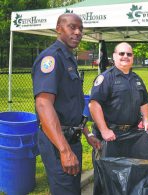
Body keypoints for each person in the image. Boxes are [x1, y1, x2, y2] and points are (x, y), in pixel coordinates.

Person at [32, 13, 100, 195]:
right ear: (58, 28)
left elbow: (72, 105)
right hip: (58, 142)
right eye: (72, 27)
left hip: (72, 138)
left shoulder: (68, 58)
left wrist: (86, 133)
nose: (78, 32)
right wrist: (64, 150)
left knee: (71, 189)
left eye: (81, 29)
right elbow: (44, 105)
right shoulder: (51, 59)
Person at [89, 42, 148, 194]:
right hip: (111, 136)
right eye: (121, 53)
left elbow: (144, 102)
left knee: (129, 176)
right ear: (114, 56)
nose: (125, 57)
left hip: (131, 136)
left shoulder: (136, 78)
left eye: (129, 54)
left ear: (132, 58)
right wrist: (104, 130)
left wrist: (145, 120)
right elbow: (94, 105)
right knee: (107, 179)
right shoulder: (106, 78)